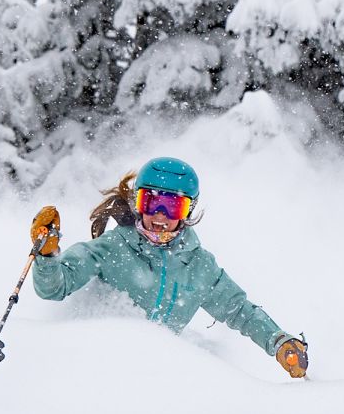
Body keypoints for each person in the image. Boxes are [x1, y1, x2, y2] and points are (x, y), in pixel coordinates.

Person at [28, 157, 309, 378]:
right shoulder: (112, 248)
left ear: (187, 212)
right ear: (138, 203)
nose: (159, 216)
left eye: (172, 207)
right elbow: (55, 287)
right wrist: (48, 253)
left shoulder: (198, 266)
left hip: (161, 380)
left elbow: (240, 311)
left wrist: (279, 341)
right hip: (100, 371)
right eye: (151, 202)